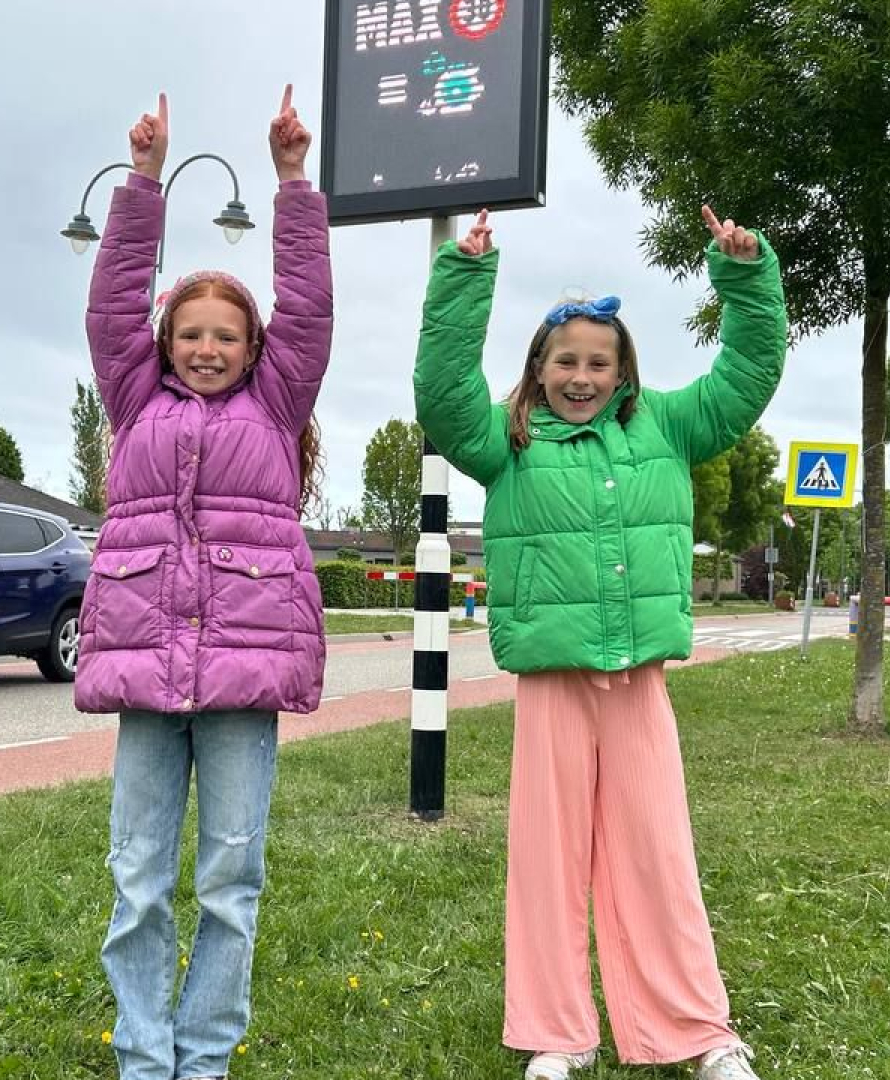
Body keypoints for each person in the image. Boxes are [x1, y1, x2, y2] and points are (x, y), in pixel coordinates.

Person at [414, 206, 786, 1080]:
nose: (581, 376)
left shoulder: (669, 425)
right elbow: (441, 391)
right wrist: (465, 278)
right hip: (552, 679)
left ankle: (696, 1029)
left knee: (659, 853)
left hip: (639, 681)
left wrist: (746, 278)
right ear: (538, 369)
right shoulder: (505, 441)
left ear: (623, 372)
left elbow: (748, 372)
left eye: (598, 363)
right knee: (547, 859)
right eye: (566, 362)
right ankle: (558, 1032)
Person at [77, 86, 331, 1080]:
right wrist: (142, 181)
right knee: (138, 880)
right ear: (165, 342)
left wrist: (292, 180)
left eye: (227, 335)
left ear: (254, 350)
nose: (208, 348)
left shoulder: (276, 404)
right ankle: (147, 1060)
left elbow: (308, 305)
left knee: (231, 881)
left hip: (240, 680)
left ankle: (206, 1057)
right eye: (191, 333)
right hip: (148, 677)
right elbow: (111, 304)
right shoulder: (133, 398)